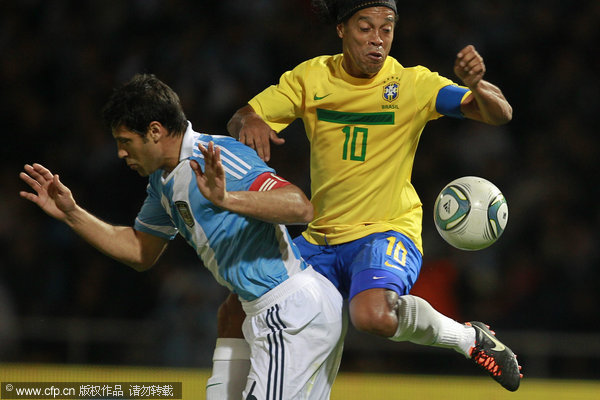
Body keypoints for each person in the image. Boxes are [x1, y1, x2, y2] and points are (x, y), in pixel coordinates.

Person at [219, 0, 523, 393]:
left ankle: (470, 340)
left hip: (386, 231)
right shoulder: (311, 77)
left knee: (372, 316)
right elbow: (242, 115)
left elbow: (500, 114)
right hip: (320, 238)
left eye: (387, 29)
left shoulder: (412, 84)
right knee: (235, 306)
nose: (377, 41)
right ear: (341, 29)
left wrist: (476, 85)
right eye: (365, 29)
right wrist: (250, 120)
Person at [19, 73, 344, 400]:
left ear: (155, 131)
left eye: (125, 142)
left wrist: (227, 199)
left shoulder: (215, 154)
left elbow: (300, 207)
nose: (120, 153)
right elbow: (140, 251)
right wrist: (73, 214)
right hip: (257, 313)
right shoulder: (162, 184)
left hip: (290, 310)